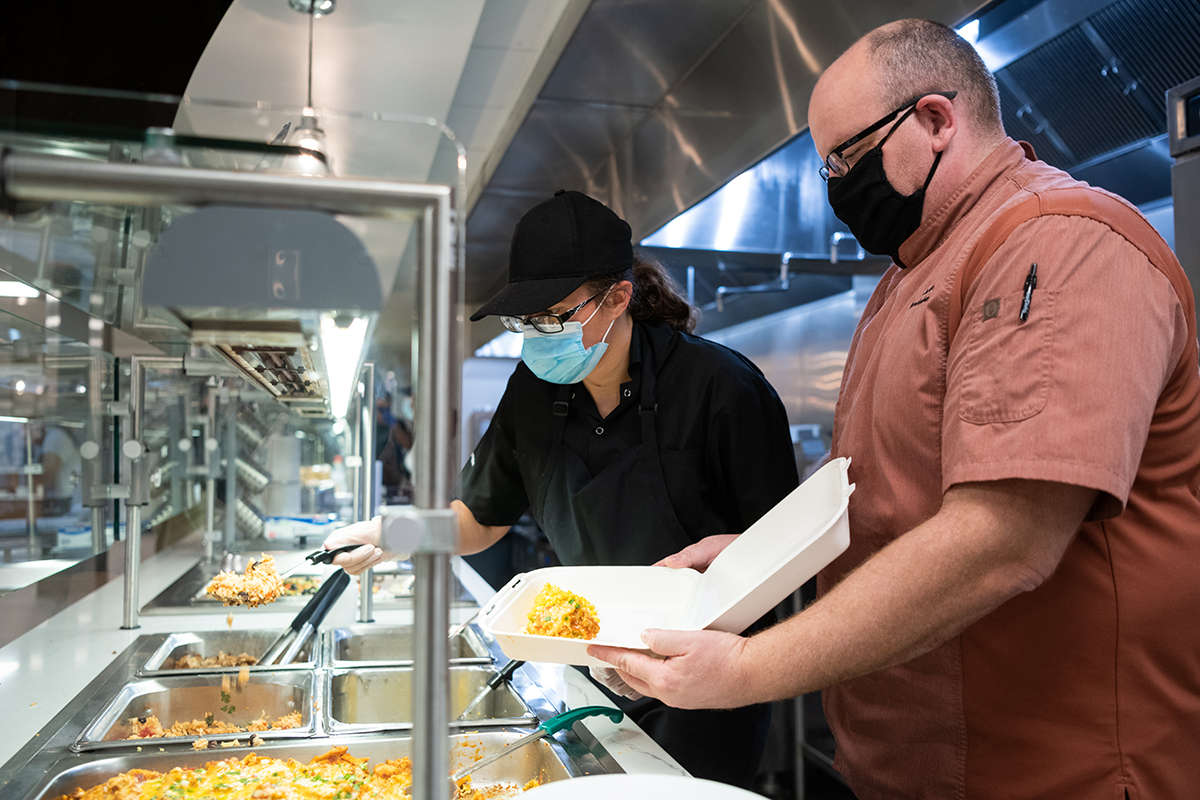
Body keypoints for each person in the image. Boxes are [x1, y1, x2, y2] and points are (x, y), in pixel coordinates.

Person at [587, 18, 1200, 800]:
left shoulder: (1059, 246)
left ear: (937, 121)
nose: (838, 185)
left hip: (1053, 771)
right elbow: (893, 506)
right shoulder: (911, 275)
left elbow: (1003, 537)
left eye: (847, 157)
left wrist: (745, 671)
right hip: (911, 765)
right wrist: (752, 563)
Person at [323, 189, 799, 788]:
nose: (538, 334)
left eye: (554, 316)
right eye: (526, 320)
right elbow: (482, 517)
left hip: (703, 682)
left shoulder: (721, 387)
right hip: (591, 667)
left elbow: (785, 554)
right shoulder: (533, 391)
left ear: (618, 297)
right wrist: (399, 531)